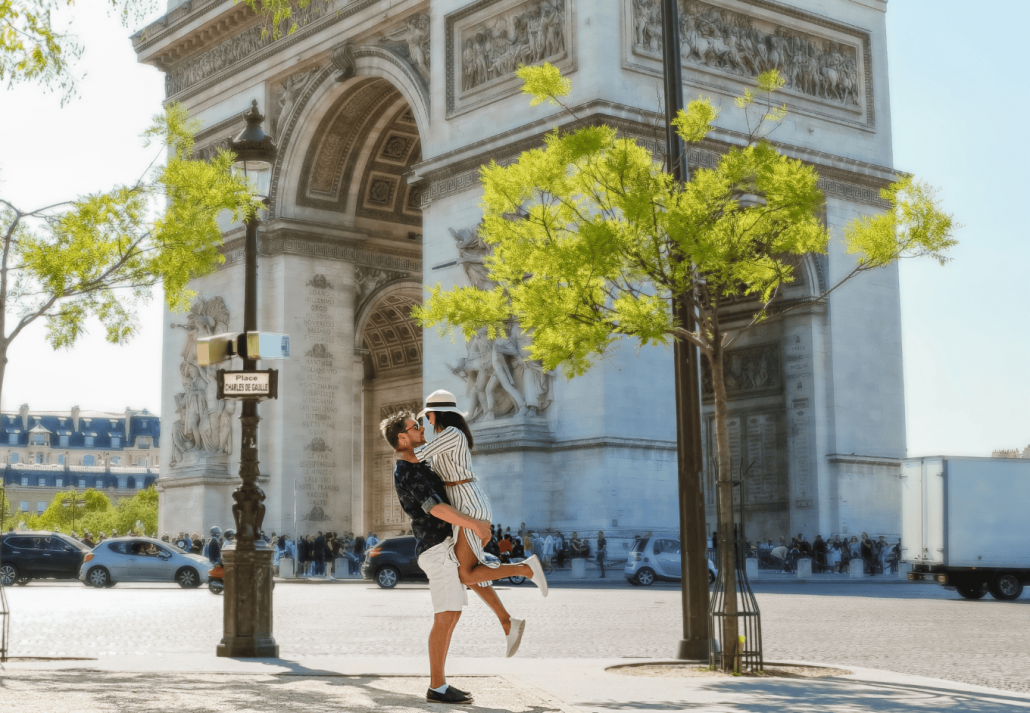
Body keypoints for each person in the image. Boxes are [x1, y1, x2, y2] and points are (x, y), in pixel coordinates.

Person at [382, 411, 538, 703]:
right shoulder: (407, 470)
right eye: (415, 428)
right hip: (436, 548)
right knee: (446, 616)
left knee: (461, 594)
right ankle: (437, 687)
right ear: (402, 438)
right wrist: (474, 524)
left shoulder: (420, 464)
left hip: (446, 543)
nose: (421, 430)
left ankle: (507, 619)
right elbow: (436, 508)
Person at [412, 390, 548, 600]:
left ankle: (525, 569)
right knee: (466, 572)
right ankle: (506, 607)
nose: (427, 420)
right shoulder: (448, 436)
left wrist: (400, 445)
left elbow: (417, 455)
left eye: (428, 415)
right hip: (465, 503)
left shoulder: (451, 433)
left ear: (439, 413)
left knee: (465, 574)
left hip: (468, 504)